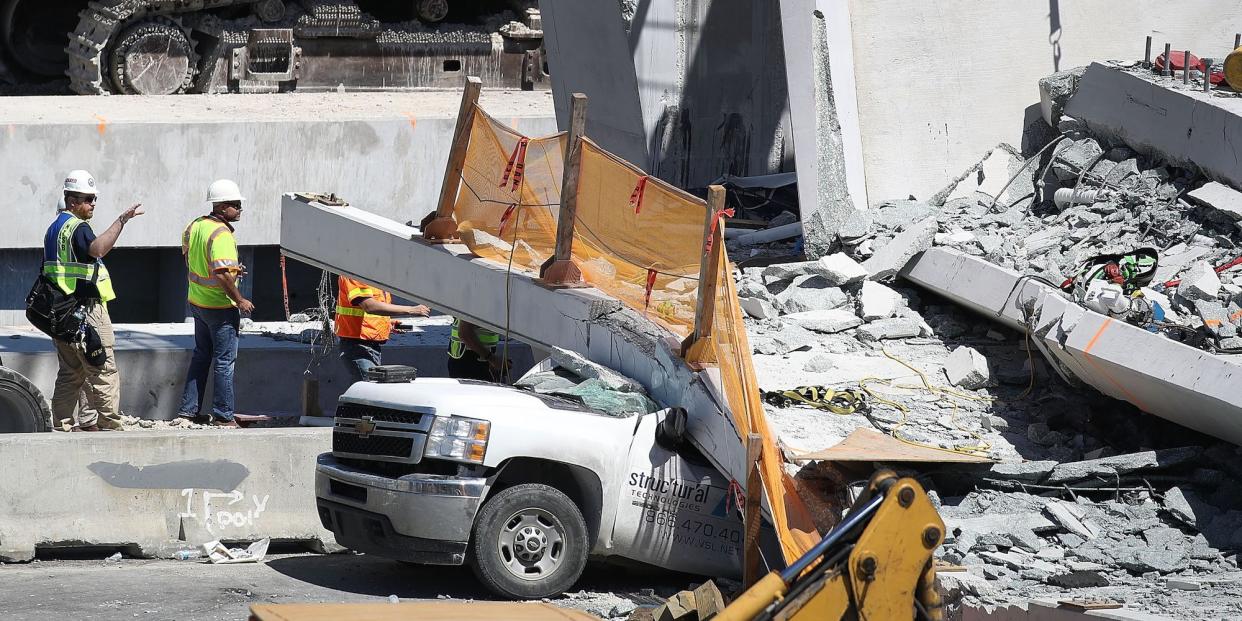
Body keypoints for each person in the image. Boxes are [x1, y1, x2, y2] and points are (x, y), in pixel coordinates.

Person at [43, 170, 143, 432]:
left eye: (94, 198)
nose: (93, 204)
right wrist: (122, 221)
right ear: (72, 201)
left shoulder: (53, 230)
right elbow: (98, 249)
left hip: (61, 311)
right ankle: (110, 424)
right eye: (88, 199)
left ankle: (63, 424)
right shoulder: (78, 227)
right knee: (103, 369)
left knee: (71, 372)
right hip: (86, 311)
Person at [176, 179, 253, 427]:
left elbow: (192, 259)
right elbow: (219, 274)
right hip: (220, 307)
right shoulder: (221, 234)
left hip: (197, 303)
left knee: (201, 356)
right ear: (221, 207)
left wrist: (232, 271)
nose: (240, 209)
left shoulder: (195, 225)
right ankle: (223, 415)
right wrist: (239, 299)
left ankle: (188, 411)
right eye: (236, 204)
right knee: (223, 362)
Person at [334, 276, 430, 382]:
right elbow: (369, 306)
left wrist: (386, 324)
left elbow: (368, 312)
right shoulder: (354, 272)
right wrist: (411, 310)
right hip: (357, 346)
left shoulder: (371, 273)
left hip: (368, 345)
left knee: (369, 389)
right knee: (370, 390)